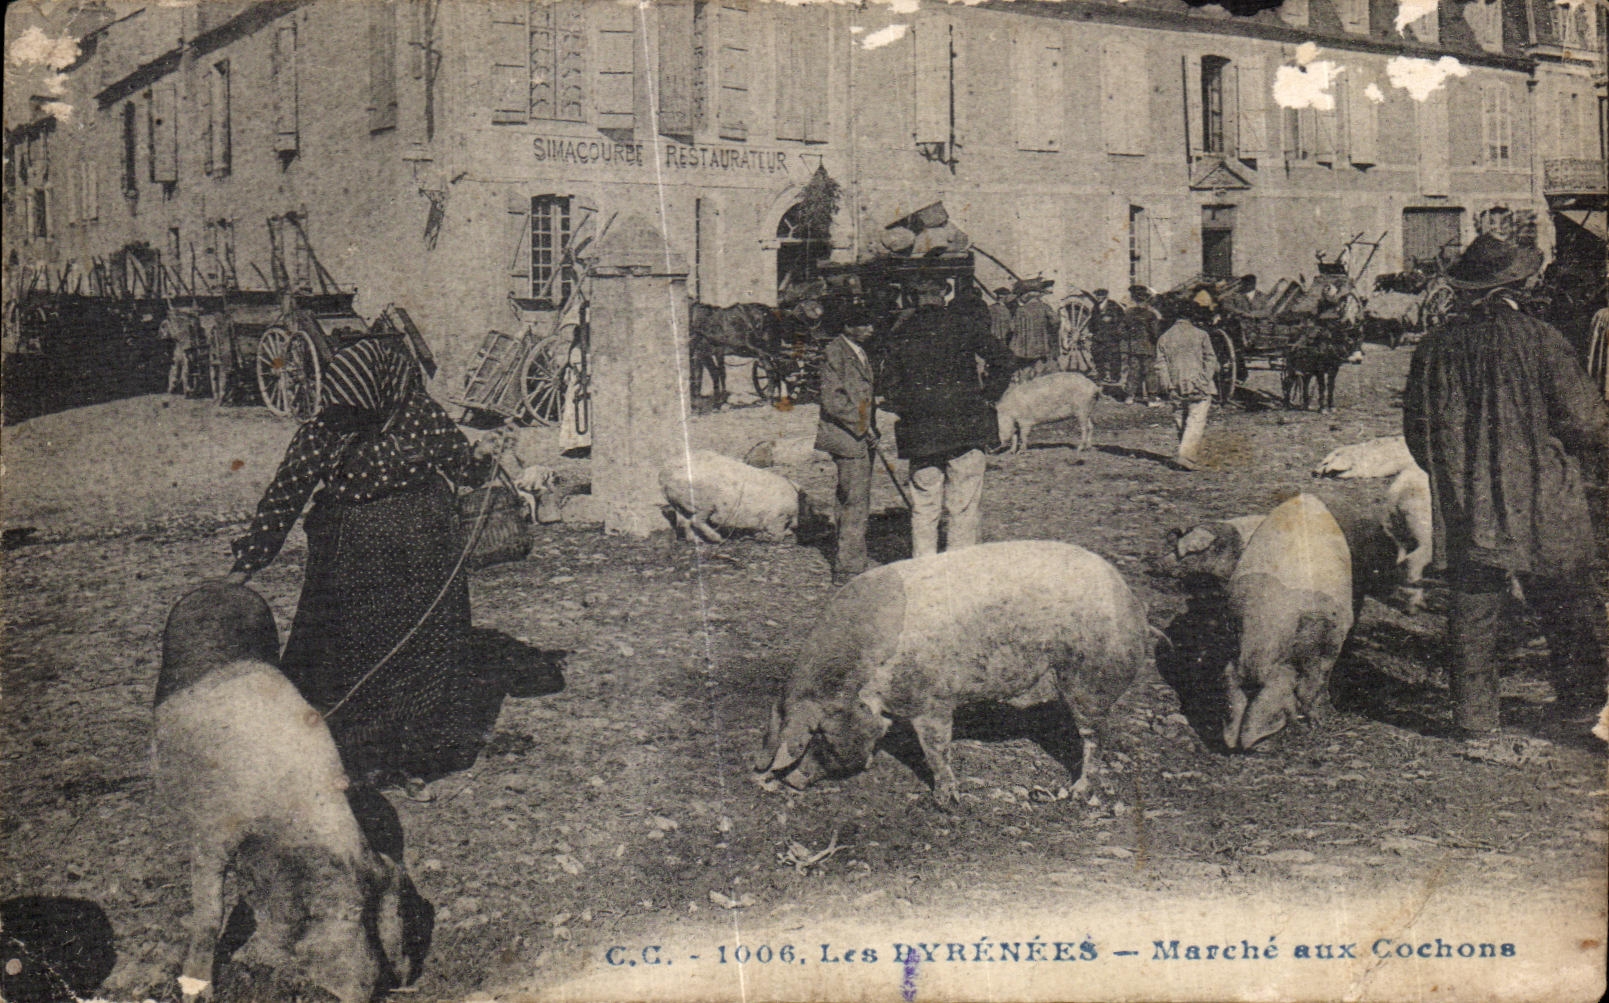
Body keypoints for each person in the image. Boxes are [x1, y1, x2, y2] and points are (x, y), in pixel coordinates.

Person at [229, 337, 504, 790]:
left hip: (388, 555)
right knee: (396, 651)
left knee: (370, 653)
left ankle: (374, 758)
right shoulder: (403, 417)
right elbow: (464, 469)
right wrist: (250, 560)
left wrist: (251, 559)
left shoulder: (365, 422)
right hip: (397, 554)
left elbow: (287, 492)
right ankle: (391, 758)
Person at [1401, 234, 1609, 740]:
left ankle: (1475, 722)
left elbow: (1416, 431)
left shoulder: (1434, 348)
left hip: (1469, 498)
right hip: (1542, 493)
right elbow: (1586, 422)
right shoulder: (1540, 338)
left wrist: (1455, 473)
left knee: (1473, 606)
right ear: (1517, 284)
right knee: (1565, 595)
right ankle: (1580, 706)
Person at [880, 279, 1015, 559]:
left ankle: (924, 569)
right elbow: (1004, 358)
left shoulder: (901, 332)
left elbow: (888, 385)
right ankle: (960, 569)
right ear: (945, 294)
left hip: (921, 433)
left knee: (924, 506)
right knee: (963, 505)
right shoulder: (963, 324)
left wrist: (906, 407)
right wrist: (989, 396)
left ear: (914, 299)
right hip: (967, 427)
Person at [816, 308, 879, 585]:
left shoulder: (857, 350)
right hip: (848, 436)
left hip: (859, 433)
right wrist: (863, 426)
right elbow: (834, 402)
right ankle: (849, 569)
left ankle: (849, 560)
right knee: (855, 500)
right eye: (863, 322)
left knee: (851, 497)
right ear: (847, 325)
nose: (870, 329)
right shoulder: (836, 352)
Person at [1155, 307, 1220, 470]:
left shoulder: (1164, 337)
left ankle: (1185, 454)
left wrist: (1167, 385)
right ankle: (1187, 457)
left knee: (1180, 417)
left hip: (1175, 385)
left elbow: (1160, 365)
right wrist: (1204, 381)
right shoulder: (1201, 334)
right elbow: (1211, 359)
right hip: (1198, 384)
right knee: (1195, 420)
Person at [1008, 280, 1060, 380]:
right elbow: (1056, 321)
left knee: (1025, 373)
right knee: (1041, 373)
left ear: (1027, 296)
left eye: (1022, 295)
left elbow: (1012, 328)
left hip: (1025, 349)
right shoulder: (1045, 307)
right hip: (1042, 346)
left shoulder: (1021, 310)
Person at [1122, 285, 1163, 405]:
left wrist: (1131, 338)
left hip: (1133, 347)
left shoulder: (1128, 313)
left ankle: (1130, 397)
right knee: (1150, 372)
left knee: (1133, 371)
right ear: (1146, 300)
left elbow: (1121, 330)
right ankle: (1152, 398)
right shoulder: (1150, 315)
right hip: (1148, 348)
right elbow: (1155, 333)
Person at [1088, 288, 1126, 385]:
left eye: (1100, 296)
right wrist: (1092, 331)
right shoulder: (1095, 307)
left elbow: (1121, 319)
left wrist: (1112, 321)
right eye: (1097, 296)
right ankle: (1102, 375)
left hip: (1111, 336)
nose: (1098, 298)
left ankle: (1115, 377)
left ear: (1105, 296)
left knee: (1114, 356)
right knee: (1097, 355)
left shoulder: (1113, 305)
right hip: (1099, 336)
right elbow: (1092, 321)